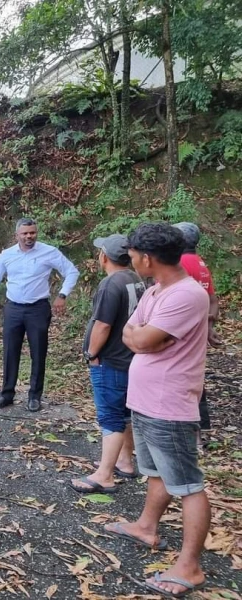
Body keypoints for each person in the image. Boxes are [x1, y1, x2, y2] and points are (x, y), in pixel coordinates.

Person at [103, 223, 210, 598]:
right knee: (156, 471)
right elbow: (131, 335)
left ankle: (190, 566)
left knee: (188, 485)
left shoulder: (186, 295)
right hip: (146, 400)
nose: (130, 260)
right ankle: (146, 526)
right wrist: (144, 338)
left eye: (133, 255)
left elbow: (143, 338)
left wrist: (145, 338)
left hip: (171, 403)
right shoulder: (156, 290)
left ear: (147, 258)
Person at [70, 234, 146, 494]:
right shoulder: (136, 279)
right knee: (125, 414)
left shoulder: (110, 283)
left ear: (104, 256)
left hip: (111, 359)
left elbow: (102, 324)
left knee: (110, 416)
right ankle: (123, 461)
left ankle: (104, 475)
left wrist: (92, 354)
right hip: (129, 358)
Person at [0, 217, 79, 412]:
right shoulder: (7, 255)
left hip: (38, 309)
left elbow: (72, 271)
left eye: (32, 233)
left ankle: (34, 396)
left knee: (38, 351)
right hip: (13, 308)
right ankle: (6, 394)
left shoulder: (48, 252)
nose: (29, 236)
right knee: (10, 351)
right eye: (25, 233)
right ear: (17, 235)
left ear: (37, 233)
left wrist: (62, 295)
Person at [173, 222, 222, 433]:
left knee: (182, 378)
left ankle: (191, 427)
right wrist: (209, 325)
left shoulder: (181, 262)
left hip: (184, 331)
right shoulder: (200, 263)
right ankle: (202, 425)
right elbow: (213, 299)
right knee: (194, 376)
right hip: (197, 330)